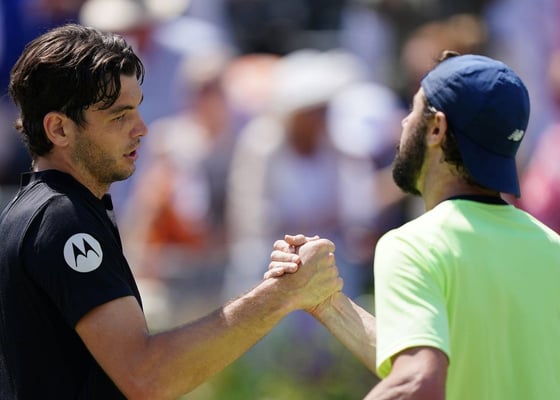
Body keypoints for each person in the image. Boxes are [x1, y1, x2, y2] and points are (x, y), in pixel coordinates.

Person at [0, 23, 343, 400]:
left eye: (137, 109)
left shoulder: (49, 212)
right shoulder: (63, 221)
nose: (141, 129)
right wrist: (282, 293)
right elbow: (146, 377)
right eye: (119, 116)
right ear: (59, 129)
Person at [270, 51, 560, 399]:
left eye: (414, 108)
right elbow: (427, 367)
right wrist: (328, 304)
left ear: (436, 128)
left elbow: (418, 382)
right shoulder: (552, 248)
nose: (404, 122)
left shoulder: (413, 246)